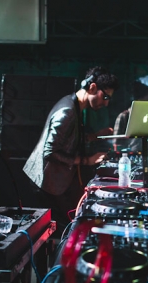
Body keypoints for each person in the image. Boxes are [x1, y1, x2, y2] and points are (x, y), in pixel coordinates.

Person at [23, 66, 119, 232]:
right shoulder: (68, 111)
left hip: (53, 182)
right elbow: (50, 152)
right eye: (105, 97)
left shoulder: (73, 104)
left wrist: (94, 136)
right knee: (62, 231)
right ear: (92, 87)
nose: (106, 103)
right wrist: (85, 160)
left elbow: (67, 138)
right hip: (46, 184)